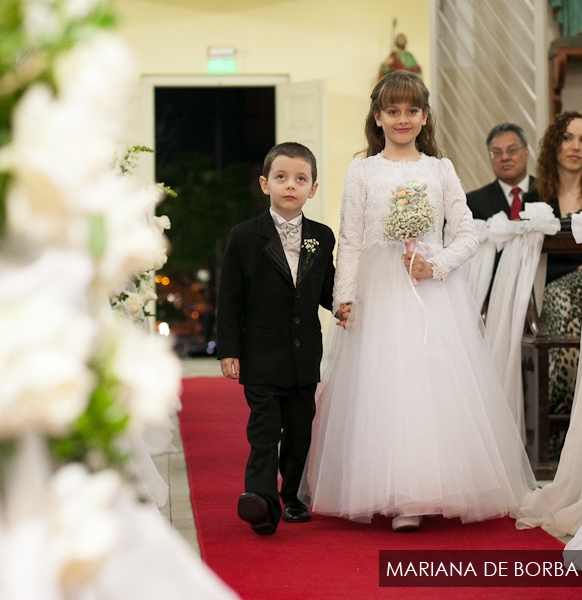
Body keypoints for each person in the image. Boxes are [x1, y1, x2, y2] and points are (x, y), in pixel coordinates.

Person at [303, 71, 535, 533]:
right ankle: (394, 493)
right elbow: (348, 240)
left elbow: (468, 233)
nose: (402, 118)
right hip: (381, 291)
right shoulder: (363, 170)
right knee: (386, 386)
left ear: (425, 116)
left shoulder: (439, 168)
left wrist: (438, 264)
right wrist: (344, 298)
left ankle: (435, 486)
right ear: (378, 117)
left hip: (430, 291)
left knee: (432, 387)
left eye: (412, 110)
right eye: (393, 111)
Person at [216, 142, 336, 536]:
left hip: (304, 357)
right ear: (265, 183)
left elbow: (327, 290)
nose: (291, 185)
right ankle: (261, 502)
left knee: (300, 431)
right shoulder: (245, 236)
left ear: (313, 189)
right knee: (265, 432)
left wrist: (347, 304)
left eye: (301, 179)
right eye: (281, 177)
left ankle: (293, 496)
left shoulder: (322, 237)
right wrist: (229, 349)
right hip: (261, 355)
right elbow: (230, 298)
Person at [524, 111, 582, 425]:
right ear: (554, 146)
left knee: (579, 292)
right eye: (567, 138)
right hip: (548, 291)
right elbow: (532, 262)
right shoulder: (536, 199)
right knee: (568, 293)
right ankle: (562, 414)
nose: (575, 146)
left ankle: (572, 419)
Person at [466, 123, 536, 221]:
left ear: (526, 152)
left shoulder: (549, 192)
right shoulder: (473, 202)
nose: (505, 157)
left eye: (512, 150)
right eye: (497, 153)